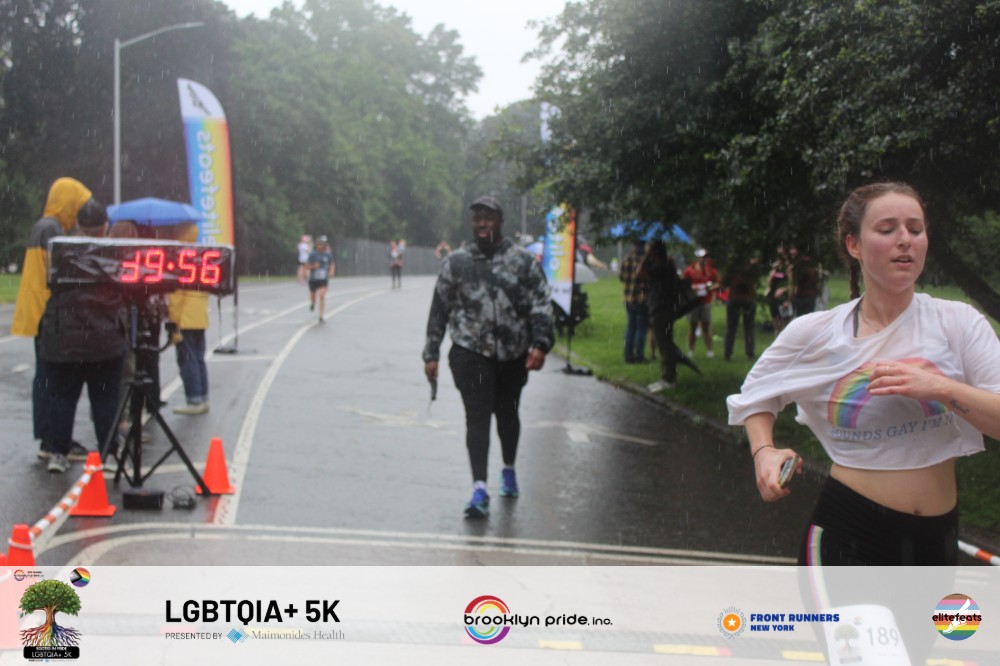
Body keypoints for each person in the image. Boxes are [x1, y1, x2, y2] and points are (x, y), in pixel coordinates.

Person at [727, 182, 1000, 568]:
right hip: (848, 535)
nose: (904, 240)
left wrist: (940, 387)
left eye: (915, 229)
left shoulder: (959, 322)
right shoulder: (816, 333)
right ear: (853, 245)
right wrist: (764, 452)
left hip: (936, 541)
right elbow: (756, 395)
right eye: (887, 229)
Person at [422, 195, 554, 518]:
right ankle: (479, 488)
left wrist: (540, 344)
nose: (482, 224)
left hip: (512, 353)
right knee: (477, 416)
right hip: (470, 351)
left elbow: (541, 303)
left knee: (507, 415)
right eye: (477, 218)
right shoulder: (457, 262)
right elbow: (439, 308)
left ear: (500, 222)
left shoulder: (522, 261)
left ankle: (508, 468)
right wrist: (431, 352)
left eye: (489, 218)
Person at [11, 177, 102, 463]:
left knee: (47, 381)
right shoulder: (51, 229)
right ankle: (52, 441)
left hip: (42, 313)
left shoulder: (45, 226)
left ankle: (49, 438)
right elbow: (57, 273)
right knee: (52, 383)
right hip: (48, 315)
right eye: (77, 205)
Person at [36, 197, 128, 473]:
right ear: (105, 226)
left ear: (77, 224)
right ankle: (109, 452)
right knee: (105, 400)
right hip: (104, 339)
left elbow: (48, 285)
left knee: (62, 398)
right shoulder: (113, 253)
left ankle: (58, 452)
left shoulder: (60, 249)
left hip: (64, 338)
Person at [168, 222, 211, 415]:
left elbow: (176, 298)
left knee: (187, 361)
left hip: (184, 320)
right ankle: (203, 397)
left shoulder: (179, 259)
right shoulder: (201, 258)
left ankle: (194, 400)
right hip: (200, 318)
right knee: (199, 359)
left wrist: (173, 323)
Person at [638, 240, 680, 391]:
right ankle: (668, 375)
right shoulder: (668, 266)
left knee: (664, 343)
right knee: (665, 342)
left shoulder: (660, 268)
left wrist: (645, 257)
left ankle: (668, 378)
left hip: (660, 309)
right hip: (666, 308)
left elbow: (640, 274)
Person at [721, 251, 761, 361]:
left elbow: (724, 282)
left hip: (734, 298)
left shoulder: (731, 269)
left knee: (731, 328)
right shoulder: (752, 268)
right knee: (749, 328)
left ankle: (728, 353)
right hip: (748, 298)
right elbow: (756, 278)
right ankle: (750, 353)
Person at [682, 248, 719, 358]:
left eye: (704, 257)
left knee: (706, 325)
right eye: (701, 257)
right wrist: (691, 287)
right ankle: (690, 350)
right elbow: (684, 284)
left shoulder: (710, 270)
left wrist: (710, 287)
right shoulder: (689, 270)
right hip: (693, 301)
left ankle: (710, 350)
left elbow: (717, 283)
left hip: (705, 300)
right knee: (693, 325)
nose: (703, 259)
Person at [620, 240, 649, 363]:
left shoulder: (627, 259)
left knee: (631, 327)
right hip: (642, 299)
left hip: (628, 299)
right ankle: (639, 356)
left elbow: (622, 278)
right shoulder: (646, 261)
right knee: (641, 328)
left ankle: (628, 356)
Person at [306, 235, 334, 322]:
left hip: (323, 279)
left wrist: (331, 271)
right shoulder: (312, 255)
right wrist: (314, 266)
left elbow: (332, 264)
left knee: (322, 296)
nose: (321, 246)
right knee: (313, 296)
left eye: (323, 245)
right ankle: (313, 303)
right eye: (320, 244)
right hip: (313, 279)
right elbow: (306, 266)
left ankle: (321, 316)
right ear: (317, 245)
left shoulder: (328, 255)